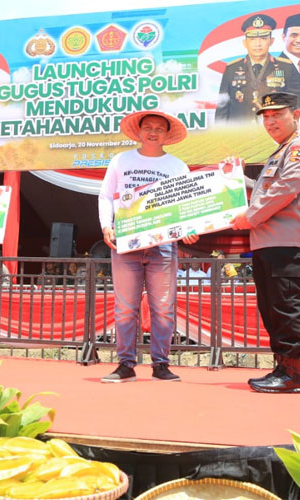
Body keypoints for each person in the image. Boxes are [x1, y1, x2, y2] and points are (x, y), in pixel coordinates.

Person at [98, 110, 199, 383]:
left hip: (163, 245)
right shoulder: (121, 160)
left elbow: (185, 204)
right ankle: (125, 365)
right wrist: (106, 225)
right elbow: (106, 195)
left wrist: (190, 228)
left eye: (159, 128)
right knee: (125, 307)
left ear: (167, 135)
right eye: (148, 127)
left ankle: (161, 365)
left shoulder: (177, 166)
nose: (153, 132)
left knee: (163, 307)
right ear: (139, 132)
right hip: (126, 242)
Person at [230, 92, 300, 393]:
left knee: (284, 307)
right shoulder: (281, 151)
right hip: (267, 242)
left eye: (277, 115)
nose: (270, 122)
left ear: (295, 115)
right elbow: (265, 190)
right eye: (266, 117)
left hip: (287, 240)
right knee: (271, 308)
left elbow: (286, 188)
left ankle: (294, 375)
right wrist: (235, 176)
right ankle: (282, 368)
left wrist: (250, 217)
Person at [215, 14, 300, 121]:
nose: (258, 44)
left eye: (263, 38)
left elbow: (295, 105)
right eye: (252, 39)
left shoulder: (286, 67)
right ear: (245, 43)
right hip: (239, 130)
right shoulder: (232, 69)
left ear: (271, 41)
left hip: (273, 129)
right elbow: (222, 109)